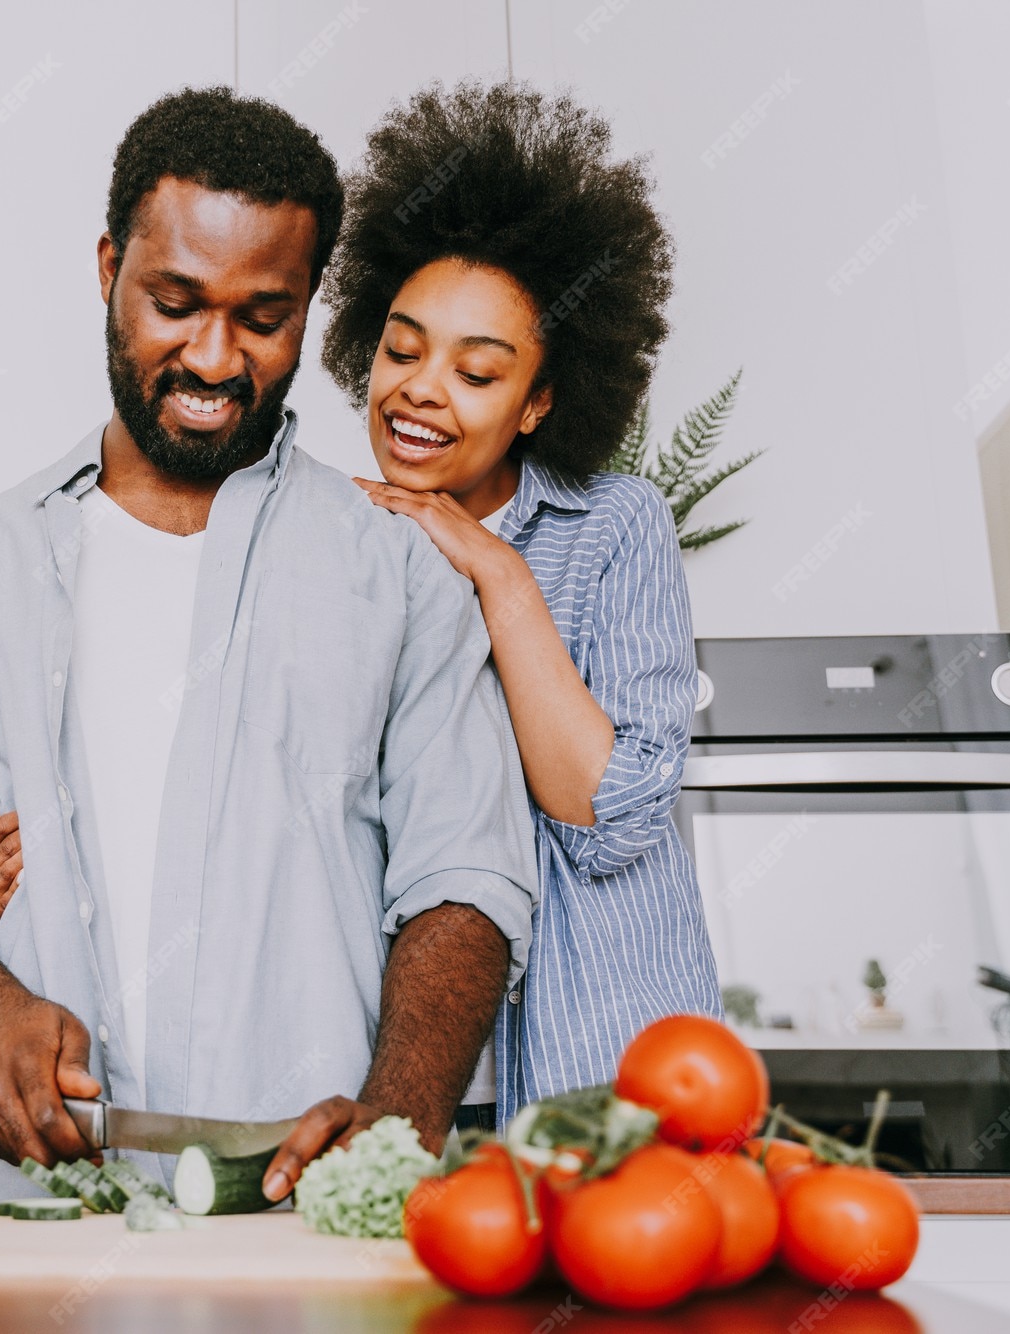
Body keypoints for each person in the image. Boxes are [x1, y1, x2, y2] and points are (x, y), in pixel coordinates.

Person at [0, 86, 538, 1207]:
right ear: (108, 264)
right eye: (174, 302)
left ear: (308, 306)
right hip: (37, 1219)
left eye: (262, 318)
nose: (213, 359)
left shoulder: (399, 572)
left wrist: (397, 1117)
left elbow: (465, 873)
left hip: (303, 1227)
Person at [328, 82, 723, 1119]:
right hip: (407, 1070)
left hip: (601, 1063)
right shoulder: (334, 543)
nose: (418, 390)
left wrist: (497, 570)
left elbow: (606, 817)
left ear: (539, 399)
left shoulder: (614, 527)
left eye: (476, 371)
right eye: (402, 349)